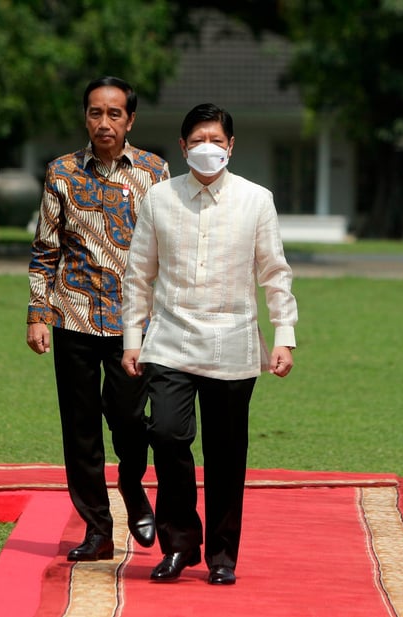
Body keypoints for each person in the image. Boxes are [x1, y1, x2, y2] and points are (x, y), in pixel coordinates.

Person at [121, 103, 298, 586]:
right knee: (168, 435)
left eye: (217, 140)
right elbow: (139, 275)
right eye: (198, 139)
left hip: (233, 342)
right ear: (182, 147)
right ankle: (179, 543)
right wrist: (131, 339)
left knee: (225, 453)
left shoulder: (256, 200)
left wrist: (284, 335)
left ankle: (223, 556)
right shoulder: (159, 198)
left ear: (231, 146)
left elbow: (274, 274)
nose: (208, 147)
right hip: (170, 339)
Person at [27, 76, 169, 562]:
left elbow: (168, 250)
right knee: (80, 428)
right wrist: (37, 315)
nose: (103, 122)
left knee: (130, 420)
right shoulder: (62, 172)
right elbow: (46, 248)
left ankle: (134, 491)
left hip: (136, 325)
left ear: (130, 120)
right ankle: (97, 529)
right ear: (84, 117)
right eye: (95, 113)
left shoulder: (154, 171)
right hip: (73, 317)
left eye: (114, 114)